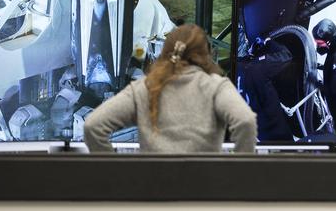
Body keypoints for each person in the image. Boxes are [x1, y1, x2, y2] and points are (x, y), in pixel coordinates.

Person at [83, 24, 256, 154]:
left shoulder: (144, 87)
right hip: (204, 194)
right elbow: (246, 121)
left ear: (165, 51)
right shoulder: (216, 86)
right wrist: (237, 172)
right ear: (206, 54)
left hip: (152, 195)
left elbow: (93, 126)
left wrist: (116, 173)